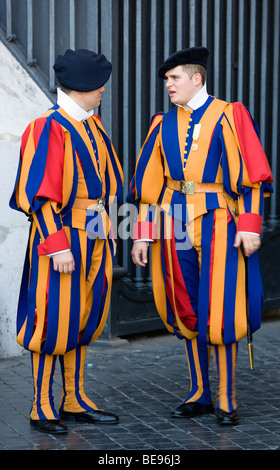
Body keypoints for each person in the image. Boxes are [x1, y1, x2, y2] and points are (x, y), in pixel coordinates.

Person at [127, 47, 273, 425]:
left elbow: (253, 176)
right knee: (186, 308)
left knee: (221, 311)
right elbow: (148, 188)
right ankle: (199, 393)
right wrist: (141, 235)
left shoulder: (230, 114)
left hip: (221, 221)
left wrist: (250, 225)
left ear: (197, 78)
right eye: (166, 80)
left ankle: (226, 397)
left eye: (174, 78)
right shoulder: (161, 124)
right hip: (173, 222)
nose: (168, 85)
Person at [10, 49, 123, 434]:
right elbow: (38, 195)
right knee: (51, 318)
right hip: (61, 237)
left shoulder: (92, 125)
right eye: (99, 85)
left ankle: (73, 399)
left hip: (93, 235)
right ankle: (41, 406)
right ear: (82, 87)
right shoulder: (48, 127)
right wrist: (57, 245)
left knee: (82, 315)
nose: (103, 91)